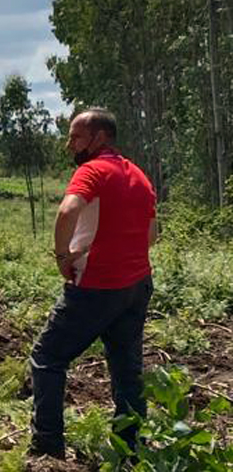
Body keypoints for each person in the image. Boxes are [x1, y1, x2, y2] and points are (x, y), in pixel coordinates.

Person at [29, 109, 158, 459]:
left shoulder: (93, 171)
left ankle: (48, 445)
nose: (69, 144)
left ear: (99, 138)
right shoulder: (140, 176)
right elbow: (152, 235)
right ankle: (130, 451)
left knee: (47, 357)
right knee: (127, 369)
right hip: (137, 284)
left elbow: (68, 211)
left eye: (75, 137)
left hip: (97, 286)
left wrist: (63, 257)